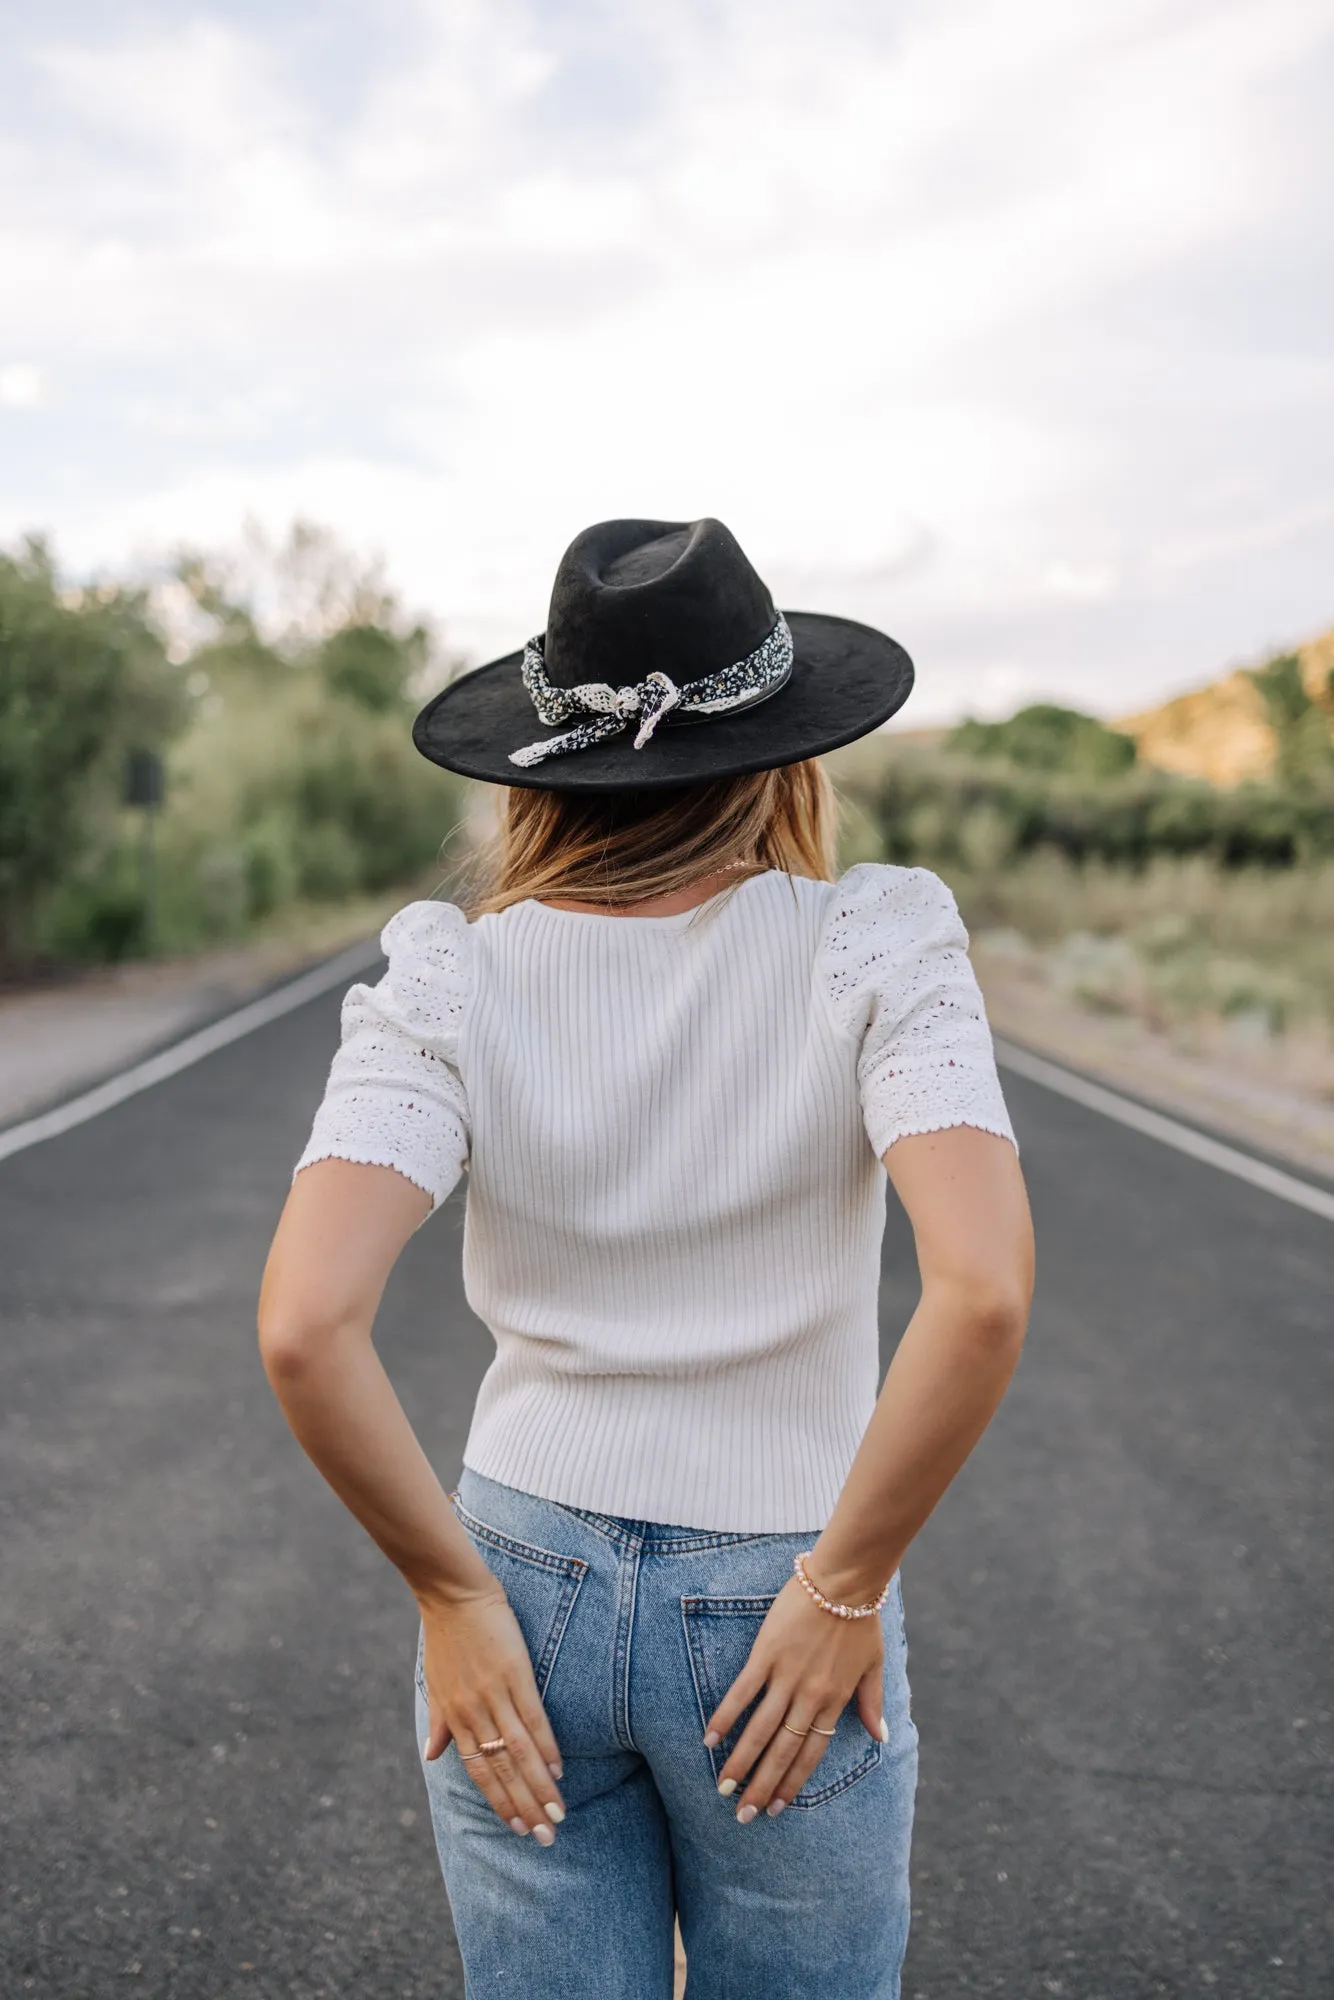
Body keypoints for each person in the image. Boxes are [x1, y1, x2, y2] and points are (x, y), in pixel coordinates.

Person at [258, 518, 1034, 1998]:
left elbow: (305, 1324)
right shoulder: (873, 943)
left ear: (545, 777)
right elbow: (982, 1287)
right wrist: (844, 1587)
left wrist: (450, 1596)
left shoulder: (453, 971)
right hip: (782, 1582)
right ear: (782, 756)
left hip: (519, 1573)